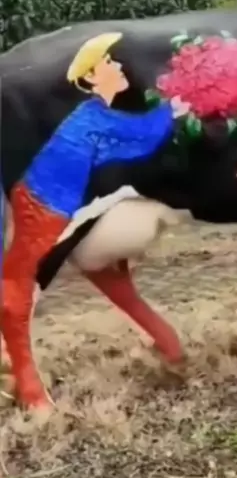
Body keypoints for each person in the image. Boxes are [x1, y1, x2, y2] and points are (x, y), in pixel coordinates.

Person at [2, 32, 188, 407]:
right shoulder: (93, 115)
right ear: (90, 77)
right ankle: (28, 388)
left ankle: (169, 345)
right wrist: (170, 111)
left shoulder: (96, 114)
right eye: (108, 62)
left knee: (71, 271)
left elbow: (131, 147)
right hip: (44, 205)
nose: (118, 66)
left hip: (51, 202)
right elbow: (138, 134)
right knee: (16, 286)